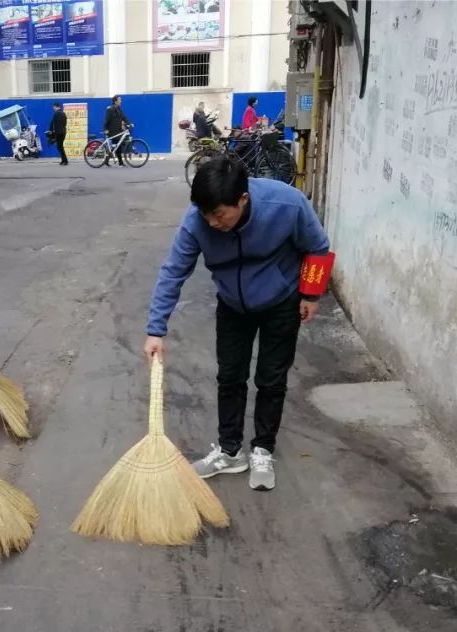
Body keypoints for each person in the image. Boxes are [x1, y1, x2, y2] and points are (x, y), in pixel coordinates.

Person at [143, 158, 331, 492]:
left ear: (242, 199)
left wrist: (311, 294)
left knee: (271, 379)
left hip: (281, 302)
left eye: (219, 215)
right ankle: (230, 451)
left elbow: (317, 247)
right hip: (232, 304)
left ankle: (263, 450)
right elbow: (173, 271)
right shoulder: (197, 221)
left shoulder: (286, 204)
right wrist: (155, 330)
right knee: (230, 377)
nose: (212, 223)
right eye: (206, 214)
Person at [103, 94, 132, 166]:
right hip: (112, 131)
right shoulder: (110, 109)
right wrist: (105, 129)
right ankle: (120, 163)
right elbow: (106, 121)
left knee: (117, 146)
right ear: (115, 101)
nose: (121, 101)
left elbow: (124, 117)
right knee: (118, 146)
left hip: (118, 131)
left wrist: (129, 123)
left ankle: (109, 161)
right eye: (119, 100)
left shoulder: (119, 109)